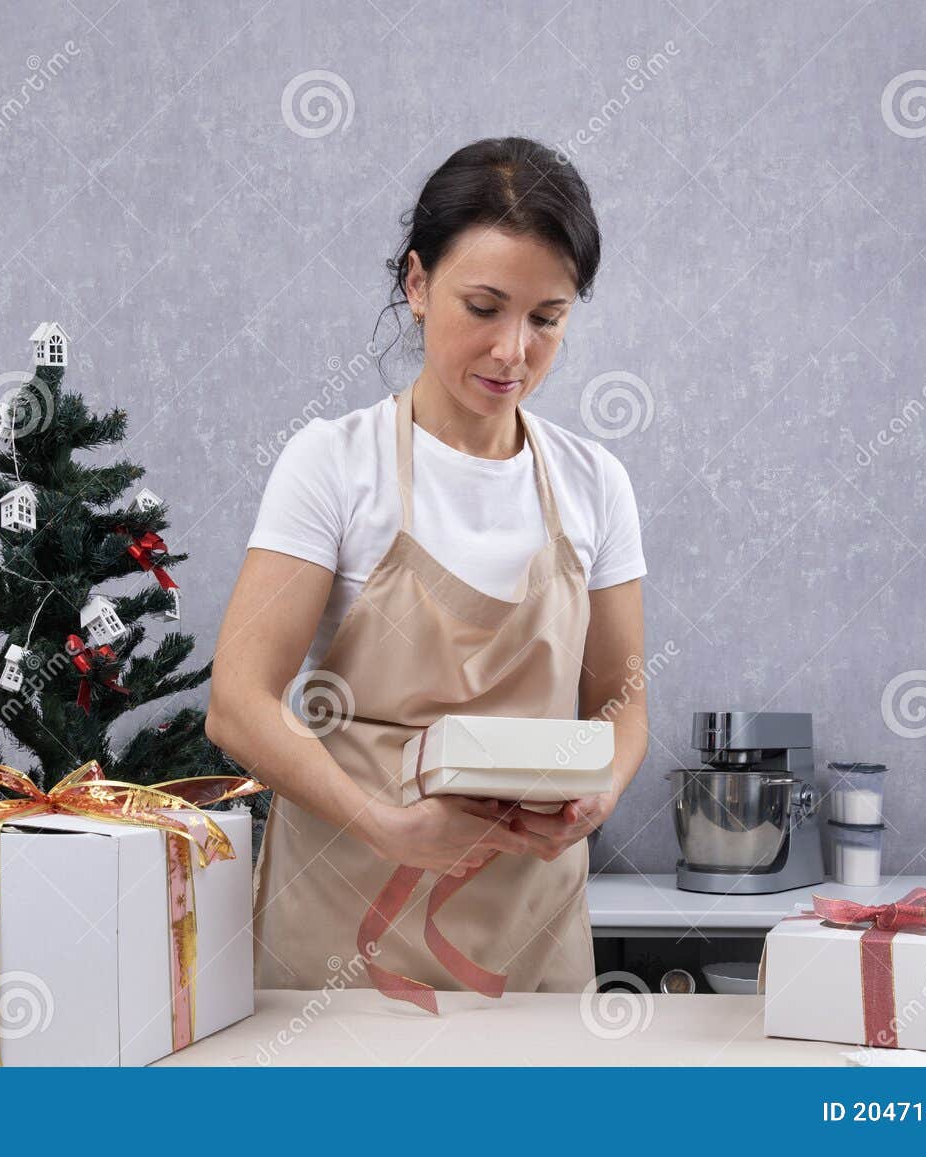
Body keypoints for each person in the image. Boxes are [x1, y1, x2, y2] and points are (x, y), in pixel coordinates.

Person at [206, 136, 648, 1002]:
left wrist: (601, 793)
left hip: (531, 931)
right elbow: (238, 703)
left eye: (547, 317)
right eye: (483, 306)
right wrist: (391, 827)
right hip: (343, 917)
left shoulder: (596, 484)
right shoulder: (334, 464)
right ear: (416, 284)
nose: (513, 350)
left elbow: (622, 704)